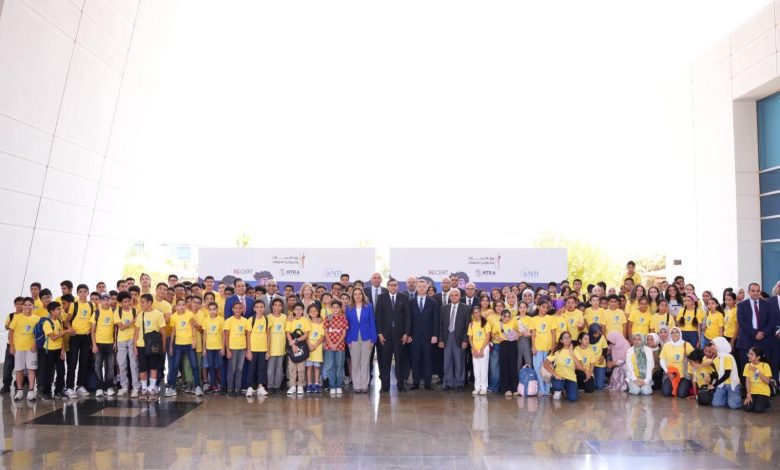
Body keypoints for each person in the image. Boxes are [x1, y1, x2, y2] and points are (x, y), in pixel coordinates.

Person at [375, 279, 411, 392]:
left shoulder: (404, 298)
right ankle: (385, 385)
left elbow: (408, 317)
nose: (393, 287)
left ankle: (400, 384)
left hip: (400, 335)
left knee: (400, 361)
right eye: (391, 285)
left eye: (395, 285)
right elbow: (378, 316)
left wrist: (406, 333)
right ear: (387, 286)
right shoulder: (381, 298)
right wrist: (379, 333)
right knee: (385, 361)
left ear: (398, 286)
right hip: (385, 335)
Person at [166, 299, 203, 397]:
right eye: (179, 305)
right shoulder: (173, 317)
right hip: (178, 345)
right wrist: (171, 346)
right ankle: (172, 388)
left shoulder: (190, 314)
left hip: (189, 344)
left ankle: (197, 387)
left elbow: (193, 328)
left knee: (194, 366)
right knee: (175, 366)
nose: (181, 306)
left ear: (185, 306)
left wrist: (194, 341)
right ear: (176, 307)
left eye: (183, 305)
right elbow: (173, 331)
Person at [134, 293, 167, 400]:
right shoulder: (140, 315)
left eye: (143, 302)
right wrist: (134, 346)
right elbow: (136, 331)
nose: (141, 304)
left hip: (154, 345)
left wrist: (163, 346)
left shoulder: (158, 314)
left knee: (154, 366)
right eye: (141, 302)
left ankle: (152, 388)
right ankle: (144, 389)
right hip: (141, 345)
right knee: (142, 367)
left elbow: (163, 332)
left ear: (150, 302)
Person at [64, 284, 95, 398]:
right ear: (77, 293)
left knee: (83, 362)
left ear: (88, 293)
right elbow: (67, 321)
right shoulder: (74, 305)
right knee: (72, 362)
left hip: (86, 337)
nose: (83, 294)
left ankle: (80, 386)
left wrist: (91, 335)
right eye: (80, 292)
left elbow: (93, 322)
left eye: (85, 291)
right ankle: (69, 387)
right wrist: (70, 329)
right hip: (75, 337)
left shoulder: (92, 305)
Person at [736, 283, 772, 375]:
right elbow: (741, 322)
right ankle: (745, 385)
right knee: (745, 370)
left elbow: (771, 321)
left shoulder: (767, 304)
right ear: (748, 292)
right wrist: (755, 334)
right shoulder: (741, 305)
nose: (755, 293)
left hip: (763, 340)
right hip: (746, 341)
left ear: (760, 292)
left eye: (757, 291)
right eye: (753, 291)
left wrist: (762, 333)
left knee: (764, 369)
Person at [408, 280, 438, 390]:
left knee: (428, 360)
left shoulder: (432, 302)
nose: (421, 288)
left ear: (427, 288)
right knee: (415, 360)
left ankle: (428, 383)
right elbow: (408, 320)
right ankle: (415, 383)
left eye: (423, 286)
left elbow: (436, 320)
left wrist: (435, 335)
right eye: (419, 286)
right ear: (416, 287)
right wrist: (408, 334)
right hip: (414, 337)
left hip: (428, 337)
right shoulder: (410, 302)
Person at [438, 288, 470, 391]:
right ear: (449, 297)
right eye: (451, 295)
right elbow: (441, 325)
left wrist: (465, 340)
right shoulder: (444, 308)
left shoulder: (466, 308)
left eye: (456, 295)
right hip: (447, 337)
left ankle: (459, 383)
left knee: (459, 361)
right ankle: (448, 383)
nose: (454, 297)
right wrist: (441, 340)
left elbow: (467, 326)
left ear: (460, 296)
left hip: (460, 337)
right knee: (447, 361)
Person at [345, 289, 376, 393]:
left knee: (365, 362)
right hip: (353, 337)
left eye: (359, 294)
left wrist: (373, 338)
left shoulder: (369, 306)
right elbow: (347, 325)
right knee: (355, 362)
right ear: (352, 296)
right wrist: (348, 339)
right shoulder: (349, 308)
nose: (357, 296)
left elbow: (372, 322)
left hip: (367, 337)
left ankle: (364, 385)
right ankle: (357, 385)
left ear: (363, 295)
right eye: (355, 294)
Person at [40, 302, 70, 400]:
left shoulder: (59, 321)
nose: (60, 311)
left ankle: (58, 391)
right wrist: (66, 331)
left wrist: (63, 350)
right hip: (49, 351)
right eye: (58, 309)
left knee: (61, 371)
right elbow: (53, 337)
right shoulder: (47, 323)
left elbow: (61, 338)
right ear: (52, 311)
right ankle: (46, 392)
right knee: (48, 372)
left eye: (60, 309)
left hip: (59, 350)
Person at [90, 293, 117, 397]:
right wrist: (94, 345)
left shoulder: (114, 312)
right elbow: (92, 331)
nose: (106, 302)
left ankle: (108, 387)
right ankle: (99, 388)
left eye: (108, 299)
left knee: (110, 367)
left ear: (110, 300)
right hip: (98, 344)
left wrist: (115, 342)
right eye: (104, 300)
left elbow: (115, 328)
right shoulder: (96, 313)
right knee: (98, 366)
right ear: (100, 301)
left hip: (110, 344)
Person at [114, 292, 140, 397]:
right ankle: (124, 386)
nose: (127, 303)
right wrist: (133, 321)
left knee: (134, 364)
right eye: (124, 302)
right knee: (122, 364)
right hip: (121, 340)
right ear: (120, 303)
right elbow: (121, 327)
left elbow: (137, 326)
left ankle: (136, 387)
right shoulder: (117, 311)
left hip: (132, 339)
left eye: (129, 301)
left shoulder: (134, 311)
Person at [544, 331, 581, 401]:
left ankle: (566, 390)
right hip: (559, 377)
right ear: (561, 340)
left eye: (569, 337)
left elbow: (580, 367)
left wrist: (571, 353)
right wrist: (555, 374)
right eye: (565, 338)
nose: (567, 339)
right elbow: (545, 364)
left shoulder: (575, 351)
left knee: (573, 399)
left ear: (571, 339)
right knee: (558, 386)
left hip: (571, 378)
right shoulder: (557, 351)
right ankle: (558, 390)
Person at [223, 302, 250, 397]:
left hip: (242, 348)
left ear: (242, 309)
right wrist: (228, 350)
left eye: (240, 308)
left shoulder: (245, 321)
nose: (238, 310)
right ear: (232, 309)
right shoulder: (229, 321)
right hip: (232, 348)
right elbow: (226, 336)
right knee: (232, 369)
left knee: (239, 369)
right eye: (236, 308)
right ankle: (230, 389)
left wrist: (247, 349)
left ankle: (237, 389)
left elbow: (247, 335)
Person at [659, 327, 693, 398]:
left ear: (680, 333)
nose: (674, 334)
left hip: (684, 375)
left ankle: (684, 386)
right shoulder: (667, 345)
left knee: (682, 394)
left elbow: (694, 358)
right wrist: (667, 372)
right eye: (672, 332)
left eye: (677, 332)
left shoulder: (686, 345)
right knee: (666, 392)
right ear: (670, 335)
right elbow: (662, 359)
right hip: (671, 374)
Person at [531, 300, 555, 396]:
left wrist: (553, 346)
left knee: (548, 369)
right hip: (538, 348)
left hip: (548, 348)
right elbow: (533, 334)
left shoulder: (551, 318)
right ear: (538, 307)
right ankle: (541, 389)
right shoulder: (534, 319)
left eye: (547, 308)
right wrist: (533, 347)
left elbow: (553, 333)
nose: (545, 309)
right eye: (543, 307)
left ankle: (547, 390)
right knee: (538, 369)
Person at [323, 299, 348, 395]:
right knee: (330, 366)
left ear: (340, 308)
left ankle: (338, 385)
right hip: (329, 346)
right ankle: (332, 385)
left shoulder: (343, 318)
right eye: (333, 307)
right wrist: (331, 344)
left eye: (337, 307)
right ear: (331, 308)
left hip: (340, 346)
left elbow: (344, 333)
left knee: (339, 366)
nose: (335, 309)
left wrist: (336, 344)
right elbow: (325, 332)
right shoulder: (328, 318)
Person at [709, 336, 741, 409]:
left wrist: (714, 385)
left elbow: (727, 374)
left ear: (720, 345)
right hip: (721, 384)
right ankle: (727, 396)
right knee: (716, 404)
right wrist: (710, 382)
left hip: (731, 384)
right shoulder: (716, 358)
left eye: (713, 345)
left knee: (733, 406)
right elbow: (716, 374)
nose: (711, 347)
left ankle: (732, 395)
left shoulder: (728, 357)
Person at [246, 301, 269, 397]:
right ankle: (250, 387)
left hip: (263, 349)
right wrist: (248, 351)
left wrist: (268, 350)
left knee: (261, 368)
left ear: (264, 308)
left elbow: (268, 335)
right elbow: (248, 336)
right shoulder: (251, 320)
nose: (259, 309)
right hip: (253, 349)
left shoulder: (267, 319)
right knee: (251, 368)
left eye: (261, 307)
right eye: (257, 307)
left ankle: (260, 387)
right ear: (254, 309)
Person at [1, 297, 23, 394]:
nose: (19, 306)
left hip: (22, 346)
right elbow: (6, 327)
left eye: (21, 304)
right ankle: (6, 385)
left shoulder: (27, 316)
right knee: (8, 366)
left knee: (21, 368)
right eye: (17, 304)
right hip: (11, 345)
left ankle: (19, 385)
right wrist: (11, 324)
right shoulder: (11, 315)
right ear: (14, 305)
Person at [202, 302, 225, 394]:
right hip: (209, 347)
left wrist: (223, 348)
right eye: (210, 309)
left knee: (221, 366)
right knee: (211, 366)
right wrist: (204, 348)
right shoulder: (205, 320)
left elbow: (223, 335)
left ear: (217, 310)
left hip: (219, 347)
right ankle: (213, 385)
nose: (212, 311)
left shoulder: (221, 319)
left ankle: (223, 386)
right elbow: (204, 334)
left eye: (214, 309)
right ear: (208, 310)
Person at [467, 305, 490, 395]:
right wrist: (474, 349)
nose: (477, 314)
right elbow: (470, 338)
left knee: (483, 369)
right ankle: (477, 387)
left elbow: (488, 336)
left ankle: (484, 387)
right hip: (475, 349)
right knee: (476, 369)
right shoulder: (471, 324)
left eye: (478, 312)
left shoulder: (485, 323)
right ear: (472, 314)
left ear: (481, 312)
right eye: (475, 313)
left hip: (484, 348)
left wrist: (482, 349)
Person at [497, 309, 520, 397]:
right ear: (501, 316)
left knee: (513, 366)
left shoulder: (513, 323)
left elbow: (519, 334)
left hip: (513, 345)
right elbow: (492, 333)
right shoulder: (499, 324)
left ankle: (514, 388)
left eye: (508, 316)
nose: (506, 318)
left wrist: (516, 334)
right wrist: (497, 337)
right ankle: (506, 389)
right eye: (505, 316)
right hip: (503, 345)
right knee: (504, 366)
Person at [743, 346, 772, 413]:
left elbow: (767, 382)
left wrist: (757, 371)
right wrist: (748, 395)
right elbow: (747, 381)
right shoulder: (747, 365)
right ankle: (756, 402)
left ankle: (766, 402)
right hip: (753, 392)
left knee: (758, 409)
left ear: (758, 357)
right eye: (749, 353)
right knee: (748, 408)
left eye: (751, 354)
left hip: (763, 392)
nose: (749, 356)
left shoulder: (765, 365)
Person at [305, 304, 325, 394]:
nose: (313, 313)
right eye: (311, 311)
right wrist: (309, 345)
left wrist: (315, 345)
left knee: (317, 367)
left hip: (317, 348)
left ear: (318, 312)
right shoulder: (307, 322)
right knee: (309, 367)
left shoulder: (321, 323)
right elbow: (305, 336)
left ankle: (316, 384)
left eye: (315, 311)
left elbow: (322, 336)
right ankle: (309, 384)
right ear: (308, 313)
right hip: (308, 347)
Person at [588, 324, 608, 389]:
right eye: (595, 334)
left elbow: (605, 349)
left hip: (600, 363)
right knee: (593, 386)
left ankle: (602, 379)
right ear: (591, 333)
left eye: (599, 333)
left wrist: (603, 356)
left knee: (599, 386)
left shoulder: (602, 337)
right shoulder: (587, 338)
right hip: (590, 364)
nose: (598, 335)